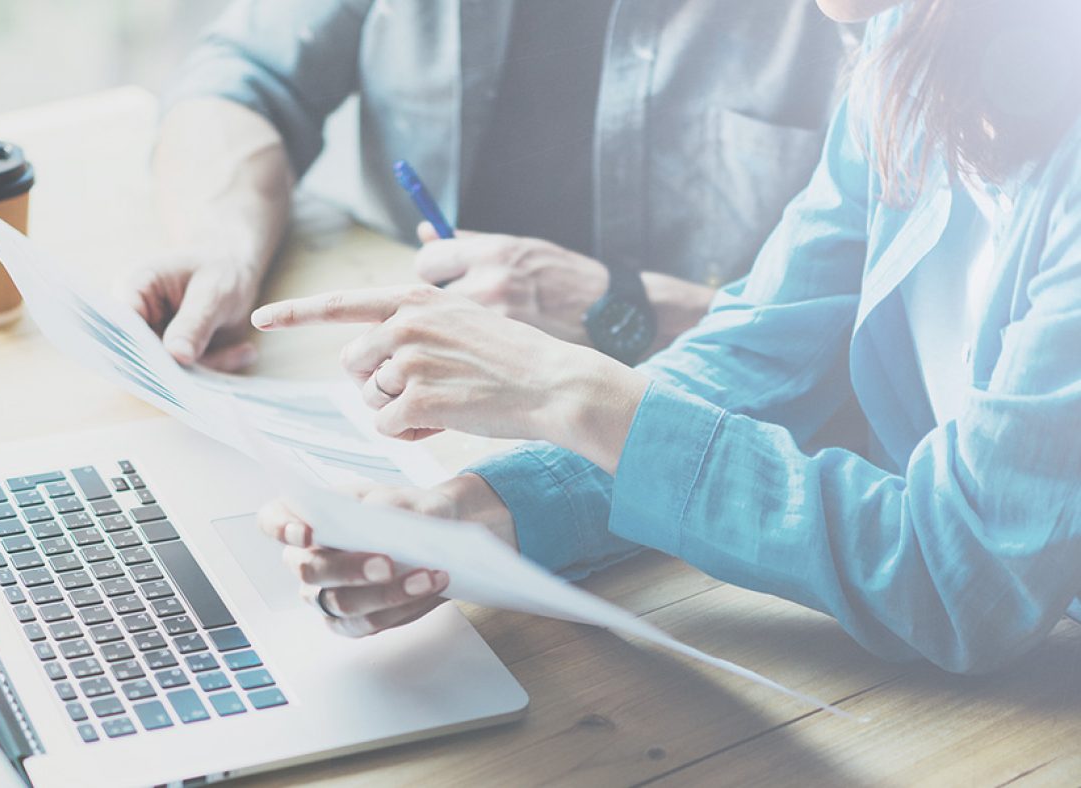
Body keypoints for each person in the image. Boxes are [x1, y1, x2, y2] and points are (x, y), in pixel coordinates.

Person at [249, 0, 1081, 672]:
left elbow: (961, 578)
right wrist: (472, 517)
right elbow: (756, 357)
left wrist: (569, 391)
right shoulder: (907, 47)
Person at [128, 1, 850, 370]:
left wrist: (620, 307)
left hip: (694, 410)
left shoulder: (856, 19)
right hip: (407, 383)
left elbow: (881, 342)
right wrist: (223, 243)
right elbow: (244, 76)